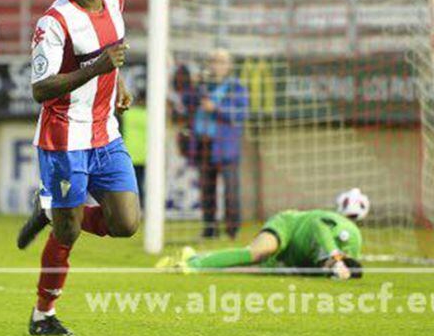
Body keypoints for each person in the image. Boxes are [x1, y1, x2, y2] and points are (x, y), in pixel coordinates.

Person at [15, 0, 140, 336]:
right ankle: (43, 315)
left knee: (125, 223)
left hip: (106, 133)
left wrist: (116, 82)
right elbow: (40, 89)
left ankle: (50, 209)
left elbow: (112, 55)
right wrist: (97, 69)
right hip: (65, 138)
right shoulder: (54, 22)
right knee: (68, 232)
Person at [157, 188, 369, 280]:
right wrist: (334, 255)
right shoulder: (346, 231)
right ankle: (192, 266)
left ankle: (194, 258)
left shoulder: (346, 258)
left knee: (246, 270)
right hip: (289, 226)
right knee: (258, 252)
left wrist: (334, 270)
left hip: (292, 258)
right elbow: (317, 224)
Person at [191, 50, 248, 239]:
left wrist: (217, 109)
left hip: (226, 146)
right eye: (213, 61)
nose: (217, 65)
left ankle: (232, 230)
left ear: (229, 65)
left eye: (221, 61)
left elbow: (240, 115)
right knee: (207, 190)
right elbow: (185, 104)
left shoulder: (236, 87)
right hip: (204, 143)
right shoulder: (202, 86)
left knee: (231, 190)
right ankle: (209, 230)